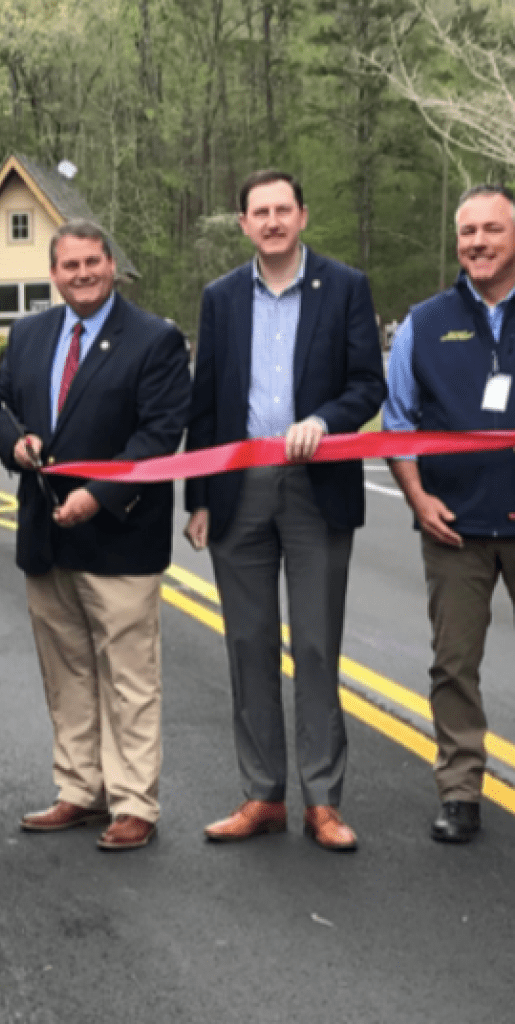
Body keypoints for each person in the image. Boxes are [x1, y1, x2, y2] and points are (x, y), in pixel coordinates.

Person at [185, 170, 385, 852]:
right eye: (259, 212)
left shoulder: (345, 287)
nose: (271, 221)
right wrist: (199, 497)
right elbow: (205, 403)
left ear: (303, 216)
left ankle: (322, 801)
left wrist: (325, 420)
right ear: (243, 223)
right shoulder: (220, 298)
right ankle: (262, 794)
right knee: (248, 645)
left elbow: (368, 385)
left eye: (282, 209)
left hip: (316, 487)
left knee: (317, 646)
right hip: (238, 489)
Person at [0, 220, 191, 852]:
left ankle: (133, 802)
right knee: (66, 672)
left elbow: (159, 435)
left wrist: (98, 496)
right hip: (46, 536)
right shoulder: (29, 334)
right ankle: (79, 789)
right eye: (69, 266)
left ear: (111, 264)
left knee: (129, 679)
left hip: (120, 536)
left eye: (92, 262)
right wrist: (14, 445)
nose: (82, 274)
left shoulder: (154, 339)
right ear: (54, 273)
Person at [384, 184, 515, 844]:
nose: (478, 242)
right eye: (468, 232)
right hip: (454, 527)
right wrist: (417, 496)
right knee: (453, 665)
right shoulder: (424, 323)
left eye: (492, 229)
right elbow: (397, 421)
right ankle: (461, 791)